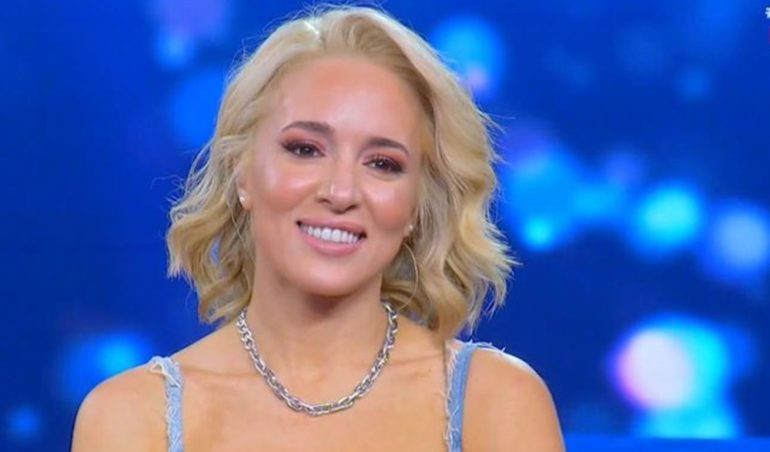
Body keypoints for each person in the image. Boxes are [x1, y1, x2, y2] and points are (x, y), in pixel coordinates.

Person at [72, 5, 564, 451]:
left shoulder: (496, 403)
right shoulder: (132, 419)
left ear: (416, 203)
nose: (341, 191)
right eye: (305, 149)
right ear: (243, 174)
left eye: (383, 163)